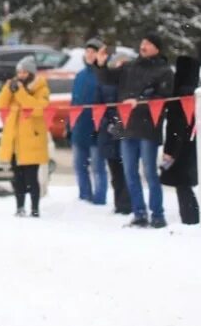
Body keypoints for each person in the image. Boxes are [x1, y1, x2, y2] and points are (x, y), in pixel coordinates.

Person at [95, 34, 174, 228]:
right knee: (129, 172)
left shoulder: (164, 71)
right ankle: (139, 213)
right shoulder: (129, 67)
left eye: (148, 43)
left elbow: (163, 99)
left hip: (148, 128)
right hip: (126, 127)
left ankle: (157, 215)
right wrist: (101, 64)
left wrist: (139, 103)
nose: (144, 46)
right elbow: (107, 79)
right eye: (142, 42)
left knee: (149, 173)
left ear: (157, 48)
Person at [0, 56, 51, 217]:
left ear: (32, 73)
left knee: (32, 178)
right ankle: (19, 207)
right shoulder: (14, 87)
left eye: (25, 72)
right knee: (17, 178)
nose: (21, 75)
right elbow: (0, 104)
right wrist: (8, 88)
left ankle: (35, 209)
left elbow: (35, 108)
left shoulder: (42, 89)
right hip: (15, 142)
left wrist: (19, 92)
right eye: (19, 72)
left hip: (32, 141)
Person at [161, 55, 201, 225]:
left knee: (182, 185)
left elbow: (176, 125)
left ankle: (190, 218)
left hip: (179, 143)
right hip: (189, 141)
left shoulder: (181, 93)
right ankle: (190, 217)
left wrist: (170, 149)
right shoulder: (194, 91)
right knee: (185, 185)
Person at [69, 38, 107, 205]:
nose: (89, 55)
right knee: (79, 166)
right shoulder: (80, 76)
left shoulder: (104, 75)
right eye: (88, 52)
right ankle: (84, 196)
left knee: (98, 168)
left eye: (93, 52)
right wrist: (68, 125)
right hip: (79, 127)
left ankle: (99, 199)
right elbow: (74, 102)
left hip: (97, 127)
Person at [96, 53, 133, 214]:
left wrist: (120, 123)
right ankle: (119, 203)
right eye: (120, 63)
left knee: (127, 171)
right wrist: (108, 123)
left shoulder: (131, 84)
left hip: (126, 131)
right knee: (115, 171)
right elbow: (99, 107)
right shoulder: (106, 83)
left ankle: (127, 203)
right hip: (109, 132)